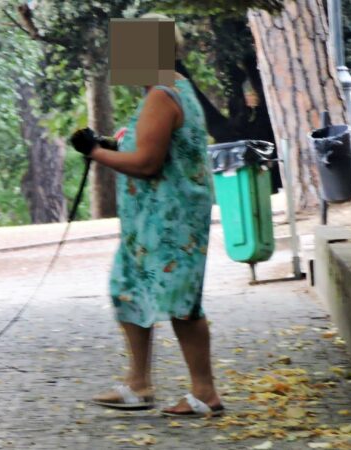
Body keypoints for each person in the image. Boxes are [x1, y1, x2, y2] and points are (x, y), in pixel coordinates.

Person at [70, 73, 222, 417]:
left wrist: (94, 152)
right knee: (127, 289)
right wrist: (111, 146)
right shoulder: (169, 88)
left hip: (170, 220)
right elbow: (150, 148)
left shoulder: (162, 95)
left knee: (181, 303)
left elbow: (147, 163)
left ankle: (205, 392)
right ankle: (139, 385)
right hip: (149, 221)